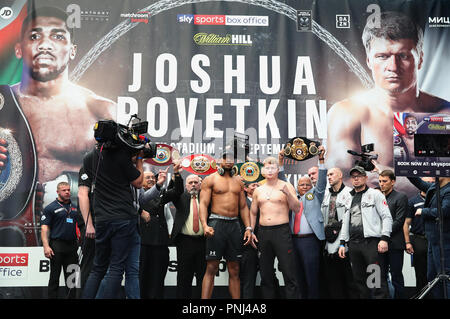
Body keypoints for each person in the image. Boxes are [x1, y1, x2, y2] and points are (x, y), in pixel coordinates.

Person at [0, 6, 114, 247]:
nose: (44, 44)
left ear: (72, 51)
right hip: (8, 232)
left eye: (57, 36)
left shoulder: (101, 112)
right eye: (34, 36)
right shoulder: (2, 103)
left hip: (75, 231)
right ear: (19, 50)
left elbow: (125, 179)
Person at [326, 11, 450, 193]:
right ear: (369, 60)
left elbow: (440, 183)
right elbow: (343, 177)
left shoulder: (441, 112)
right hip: (372, 216)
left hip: (428, 216)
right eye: (382, 56)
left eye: (403, 56)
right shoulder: (348, 112)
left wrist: (381, 176)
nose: (393, 67)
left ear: (420, 59)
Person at [81, 142, 156, 299]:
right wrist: (140, 158)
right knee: (116, 268)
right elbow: (137, 182)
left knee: (98, 268)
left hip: (102, 219)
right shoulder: (121, 158)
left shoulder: (90, 159)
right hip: (122, 219)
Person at [199, 151, 253, 299]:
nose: (229, 161)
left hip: (234, 225)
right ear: (219, 160)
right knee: (211, 267)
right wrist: (204, 225)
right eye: (225, 158)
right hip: (216, 223)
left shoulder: (239, 182)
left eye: (232, 159)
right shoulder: (210, 179)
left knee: (235, 269)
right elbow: (203, 204)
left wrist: (248, 227)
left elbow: (243, 207)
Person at [249, 156, 301, 299]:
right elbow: (253, 212)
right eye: (267, 167)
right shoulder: (258, 189)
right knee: (266, 274)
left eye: (273, 167)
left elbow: (296, 209)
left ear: (278, 170)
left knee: (289, 273)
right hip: (263, 233)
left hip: (281, 232)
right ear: (262, 170)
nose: (270, 170)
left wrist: (288, 193)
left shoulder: (286, 185)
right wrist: (250, 230)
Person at [338, 166, 393, 299]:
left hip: (371, 244)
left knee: (375, 280)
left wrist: (384, 238)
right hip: (353, 244)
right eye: (353, 177)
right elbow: (345, 221)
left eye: (359, 176)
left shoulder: (375, 194)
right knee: (359, 280)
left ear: (365, 178)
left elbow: (387, 217)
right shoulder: (348, 197)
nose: (356, 179)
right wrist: (342, 243)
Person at [139, 164, 182, 299]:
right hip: (142, 245)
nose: (151, 179)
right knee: (141, 280)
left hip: (160, 245)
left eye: (153, 177)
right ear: (140, 180)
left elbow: (177, 191)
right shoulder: (136, 195)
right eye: (148, 177)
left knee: (158, 281)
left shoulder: (161, 194)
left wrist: (176, 174)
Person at [290, 146, 326, 299]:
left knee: (312, 276)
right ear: (297, 187)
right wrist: (279, 163)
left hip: (310, 241)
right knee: (298, 277)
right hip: (294, 241)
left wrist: (321, 161)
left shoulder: (315, 196)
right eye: (301, 185)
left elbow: (322, 182)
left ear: (311, 186)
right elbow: (283, 181)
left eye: (307, 184)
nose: (304, 187)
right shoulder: (291, 198)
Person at [407, 176, 450, 299]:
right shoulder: (434, 187)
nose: (434, 175)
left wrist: (424, 211)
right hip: (432, 239)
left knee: (445, 275)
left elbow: (445, 210)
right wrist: (403, 168)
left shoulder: (448, 190)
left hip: (444, 240)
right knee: (432, 276)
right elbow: (418, 181)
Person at [321, 167, 356, 299]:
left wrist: (345, 241)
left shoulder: (349, 193)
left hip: (344, 243)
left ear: (340, 175)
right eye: (328, 175)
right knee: (333, 281)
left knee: (349, 280)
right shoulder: (325, 194)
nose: (329, 177)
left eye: (332, 174)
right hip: (328, 243)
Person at [40, 181, 79, 298]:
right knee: (54, 278)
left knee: (72, 280)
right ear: (57, 192)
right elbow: (44, 228)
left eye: (68, 190)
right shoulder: (50, 208)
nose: (67, 192)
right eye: (64, 190)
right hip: (57, 246)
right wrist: (46, 246)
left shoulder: (75, 208)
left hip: (72, 247)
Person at [171, 173, 206, 299]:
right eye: (190, 183)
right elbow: (173, 191)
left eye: (196, 182)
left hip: (204, 242)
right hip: (185, 242)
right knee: (184, 278)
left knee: (203, 278)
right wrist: (176, 175)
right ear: (186, 185)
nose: (193, 185)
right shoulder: (180, 197)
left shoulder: (206, 199)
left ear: (200, 184)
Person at [378, 169, 408, 299]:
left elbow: (399, 221)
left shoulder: (400, 197)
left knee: (396, 275)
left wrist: (383, 234)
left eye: (384, 181)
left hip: (394, 243)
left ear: (393, 182)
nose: (381, 184)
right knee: (379, 276)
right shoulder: (377, 197)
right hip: (378, 243)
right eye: (379, 181)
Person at [404, 177, 435, 297]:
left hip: (434, 239)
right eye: (426, 182)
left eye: (432, 182)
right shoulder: (413, 201)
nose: (429, 184)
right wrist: (407, 242)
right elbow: (406, 223)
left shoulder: (437, 199)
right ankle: (422, 295)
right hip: (418, 239)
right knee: (420, 272)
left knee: (436, 272)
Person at [239, 180, 260, 299]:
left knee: (269, 277)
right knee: (247, 278)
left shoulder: (263, 202)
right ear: (246, 189)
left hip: (264, 244)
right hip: (247, 245)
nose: (256, 187)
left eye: (258, 185)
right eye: (254, 185)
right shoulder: (241, 203)